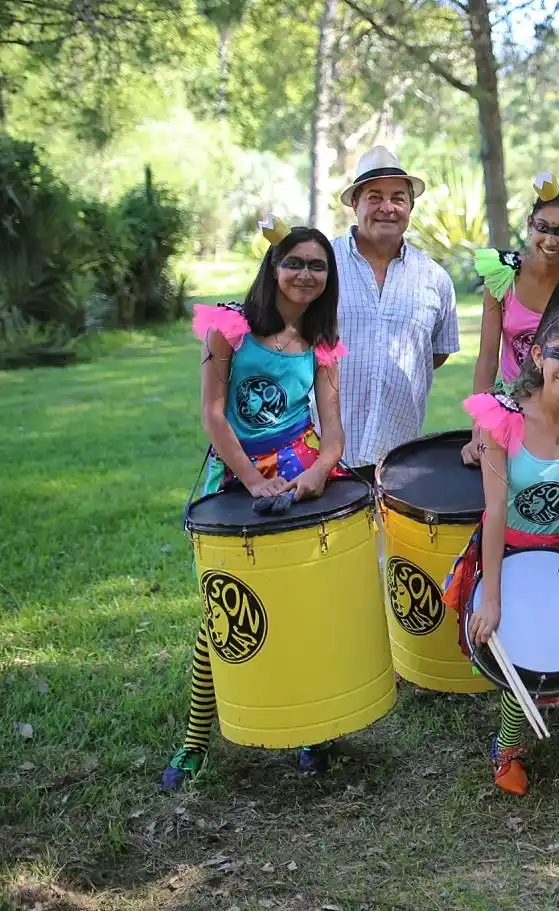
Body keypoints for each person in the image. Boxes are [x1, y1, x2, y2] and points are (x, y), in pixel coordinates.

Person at [162, 220, 348, 790]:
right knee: (226, 607)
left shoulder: (321, 342)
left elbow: (334, 429)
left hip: (301, 468)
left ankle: (312, 727)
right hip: (236, 472)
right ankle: (195, 741)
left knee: (304, 602)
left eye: (318, 266)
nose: (306, 275)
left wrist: (318, 471)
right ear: (273, 267)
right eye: (295, 263)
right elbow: (214, 415)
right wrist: (251, 480)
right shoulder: (230, 329)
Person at [440, 311, 559, 797]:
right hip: (509, 550)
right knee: (523, 646)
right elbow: (494, 510)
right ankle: (508, 745)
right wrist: (491, 597)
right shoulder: (505, 417)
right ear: (538, 355)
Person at [460, 172, 559, 465]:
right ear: (529, 226)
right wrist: (479, 429)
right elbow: (486, 358)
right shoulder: (502, 277)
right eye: (542, 227)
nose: (550, 240)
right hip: (514, 406)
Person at [333, 146, 460, 481]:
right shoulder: (322, 265)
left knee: (393, 534)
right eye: (374, 197)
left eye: (398, 198)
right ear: (354, 204)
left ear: (410, 207)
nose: (387, 208)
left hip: (400, 454)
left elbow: (436, 353)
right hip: (323, 451)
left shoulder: (435, 278)